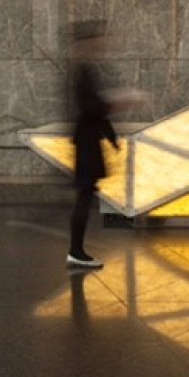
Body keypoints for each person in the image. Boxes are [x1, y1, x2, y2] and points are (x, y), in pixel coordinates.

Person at [67, 20, 120, 269]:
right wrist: (116, 106)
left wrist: (110, 134)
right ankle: (76, 251)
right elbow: (92, 107)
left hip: (88, 138)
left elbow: (94, 106)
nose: (102, 44)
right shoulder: (82, 71)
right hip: (87, 141)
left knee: (85, 195)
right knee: (84, 195)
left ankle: (77, 250)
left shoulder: (84, 69)